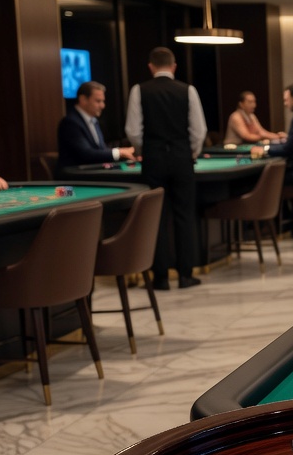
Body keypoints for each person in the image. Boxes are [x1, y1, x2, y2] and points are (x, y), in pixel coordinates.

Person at [125, 46, 206, 290]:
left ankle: (160, 277)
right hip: (182, 159)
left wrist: (145, 149)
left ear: (151, 67)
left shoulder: (139, 90)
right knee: (184, 216)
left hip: (154, 160)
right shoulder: (188, 90)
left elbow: (133, 131)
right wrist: (190, 151)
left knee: (156, 218)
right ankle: (185, 274)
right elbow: (198, 130)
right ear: (173, 67)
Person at [57, 81, 135, 169]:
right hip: (76, 174)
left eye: (103, 101)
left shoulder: (93, 120)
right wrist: (119, 152)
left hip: (91, 170)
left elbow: (101, 149)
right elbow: (86, 154)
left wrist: (125, 154)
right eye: (98, 101)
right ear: (83, 99)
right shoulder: (70, 122)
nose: (103, 106)